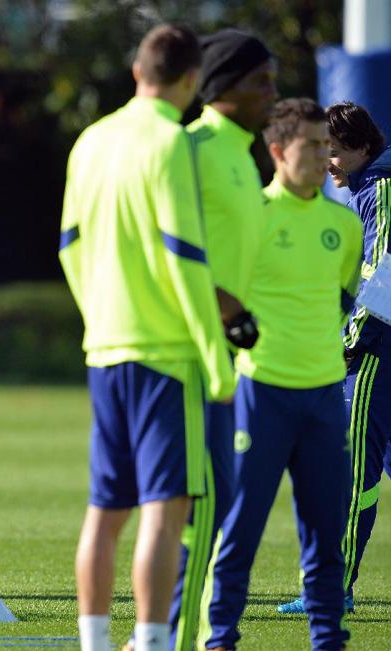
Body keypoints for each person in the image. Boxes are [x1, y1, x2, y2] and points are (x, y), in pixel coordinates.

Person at [59, 24, 235, 651]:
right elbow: (184, 253)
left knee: (105, 511)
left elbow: (69, 246)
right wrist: (216, 356)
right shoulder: (173, 143)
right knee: (167, 510)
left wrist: (98, 316)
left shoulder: (90, 140)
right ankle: (156, 640)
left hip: (106, 349)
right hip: (167, 352)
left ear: (137, 71)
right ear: (191, 81)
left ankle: (95, 641)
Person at [201, 98, 359, 651]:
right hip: (260, 394)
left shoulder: (344, 224)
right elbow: (221, 296)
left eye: (328, 146)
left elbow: (341, 298)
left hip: (322, 400)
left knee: (324, 536)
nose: (324, 156)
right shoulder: (253, 219)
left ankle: (328, 640)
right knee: (240, 530)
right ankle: (219, 638)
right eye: (311, 146)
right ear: (276, 152)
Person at [169, 29, 277, 650]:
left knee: (214, 508)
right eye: (260, 80)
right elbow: (169, 249)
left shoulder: (241, 152)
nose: (273, 92)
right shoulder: (193, 149)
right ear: (223, 86)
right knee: (195, 508)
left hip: (226, 361)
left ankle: (186, 636)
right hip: (186, 355)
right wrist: (226, 310)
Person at [278, 100, 391, 615]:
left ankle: (331, 589)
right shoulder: (368, 190)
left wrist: (353, 338)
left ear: (364, 146)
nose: (329, 161)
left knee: (352, 473)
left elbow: (383, 269)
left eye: (337, 150)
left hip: (375, 353)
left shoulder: (381, 189)